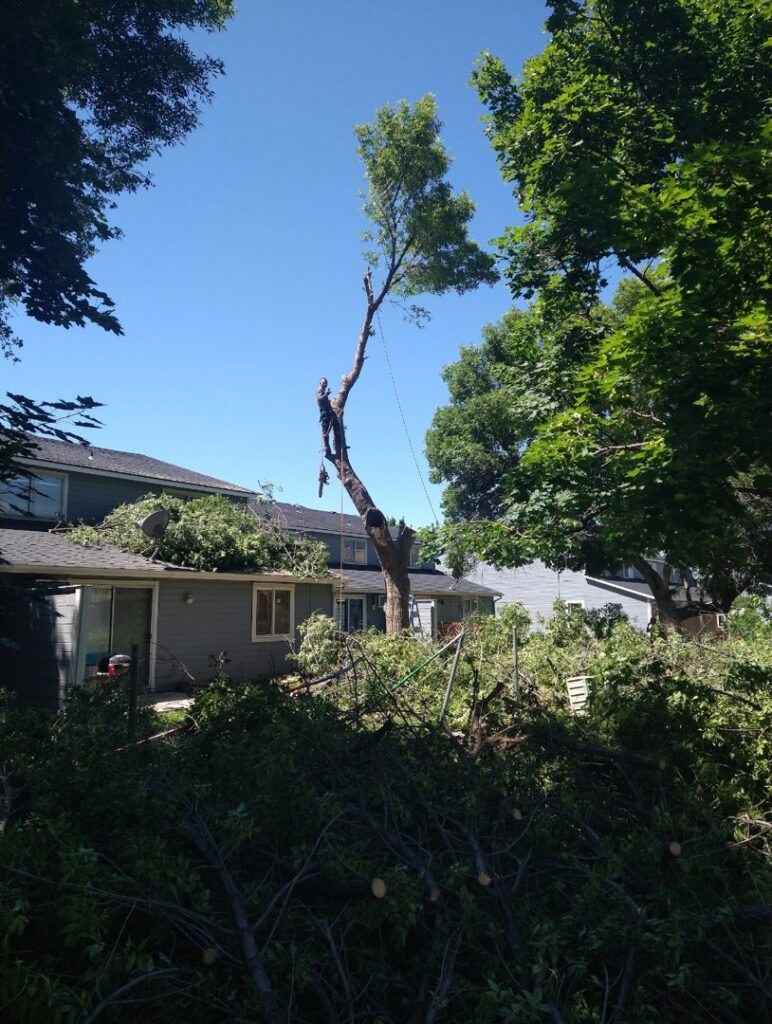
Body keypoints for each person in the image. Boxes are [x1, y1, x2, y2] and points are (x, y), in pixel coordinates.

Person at [316, 377, 335, 457]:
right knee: (325, 429)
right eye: (324, 383)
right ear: (320, 383)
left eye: (326, 383)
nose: (325, 384)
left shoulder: (322, 390)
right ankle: (326, 446)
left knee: (330, 425)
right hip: (324, 411)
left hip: (326, 410)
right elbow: (319, 398)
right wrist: (326, 394)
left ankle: (327, 447)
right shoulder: (319, 389)